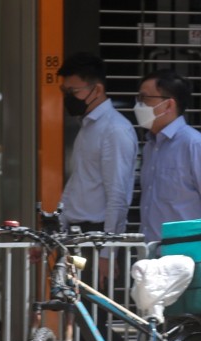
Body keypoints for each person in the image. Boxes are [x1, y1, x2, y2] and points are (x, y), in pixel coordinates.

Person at [57, 52, 138, 287]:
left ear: (97, 90)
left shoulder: (114, 130)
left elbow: (118, 195)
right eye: (65, 92)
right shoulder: (89, 126)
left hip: (97, 239)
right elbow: (78, 182)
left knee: (94, 312)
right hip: (79, 238)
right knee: (74, 304)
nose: (68, 97)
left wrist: (107, 254)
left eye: (73, 91)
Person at [135, 70, 201, 244]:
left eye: (145, 99)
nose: (139, 105)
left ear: (168, 105)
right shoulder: (151, 146)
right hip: (152, 253)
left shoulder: (194, 145)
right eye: (139, 99)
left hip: (188, 256)